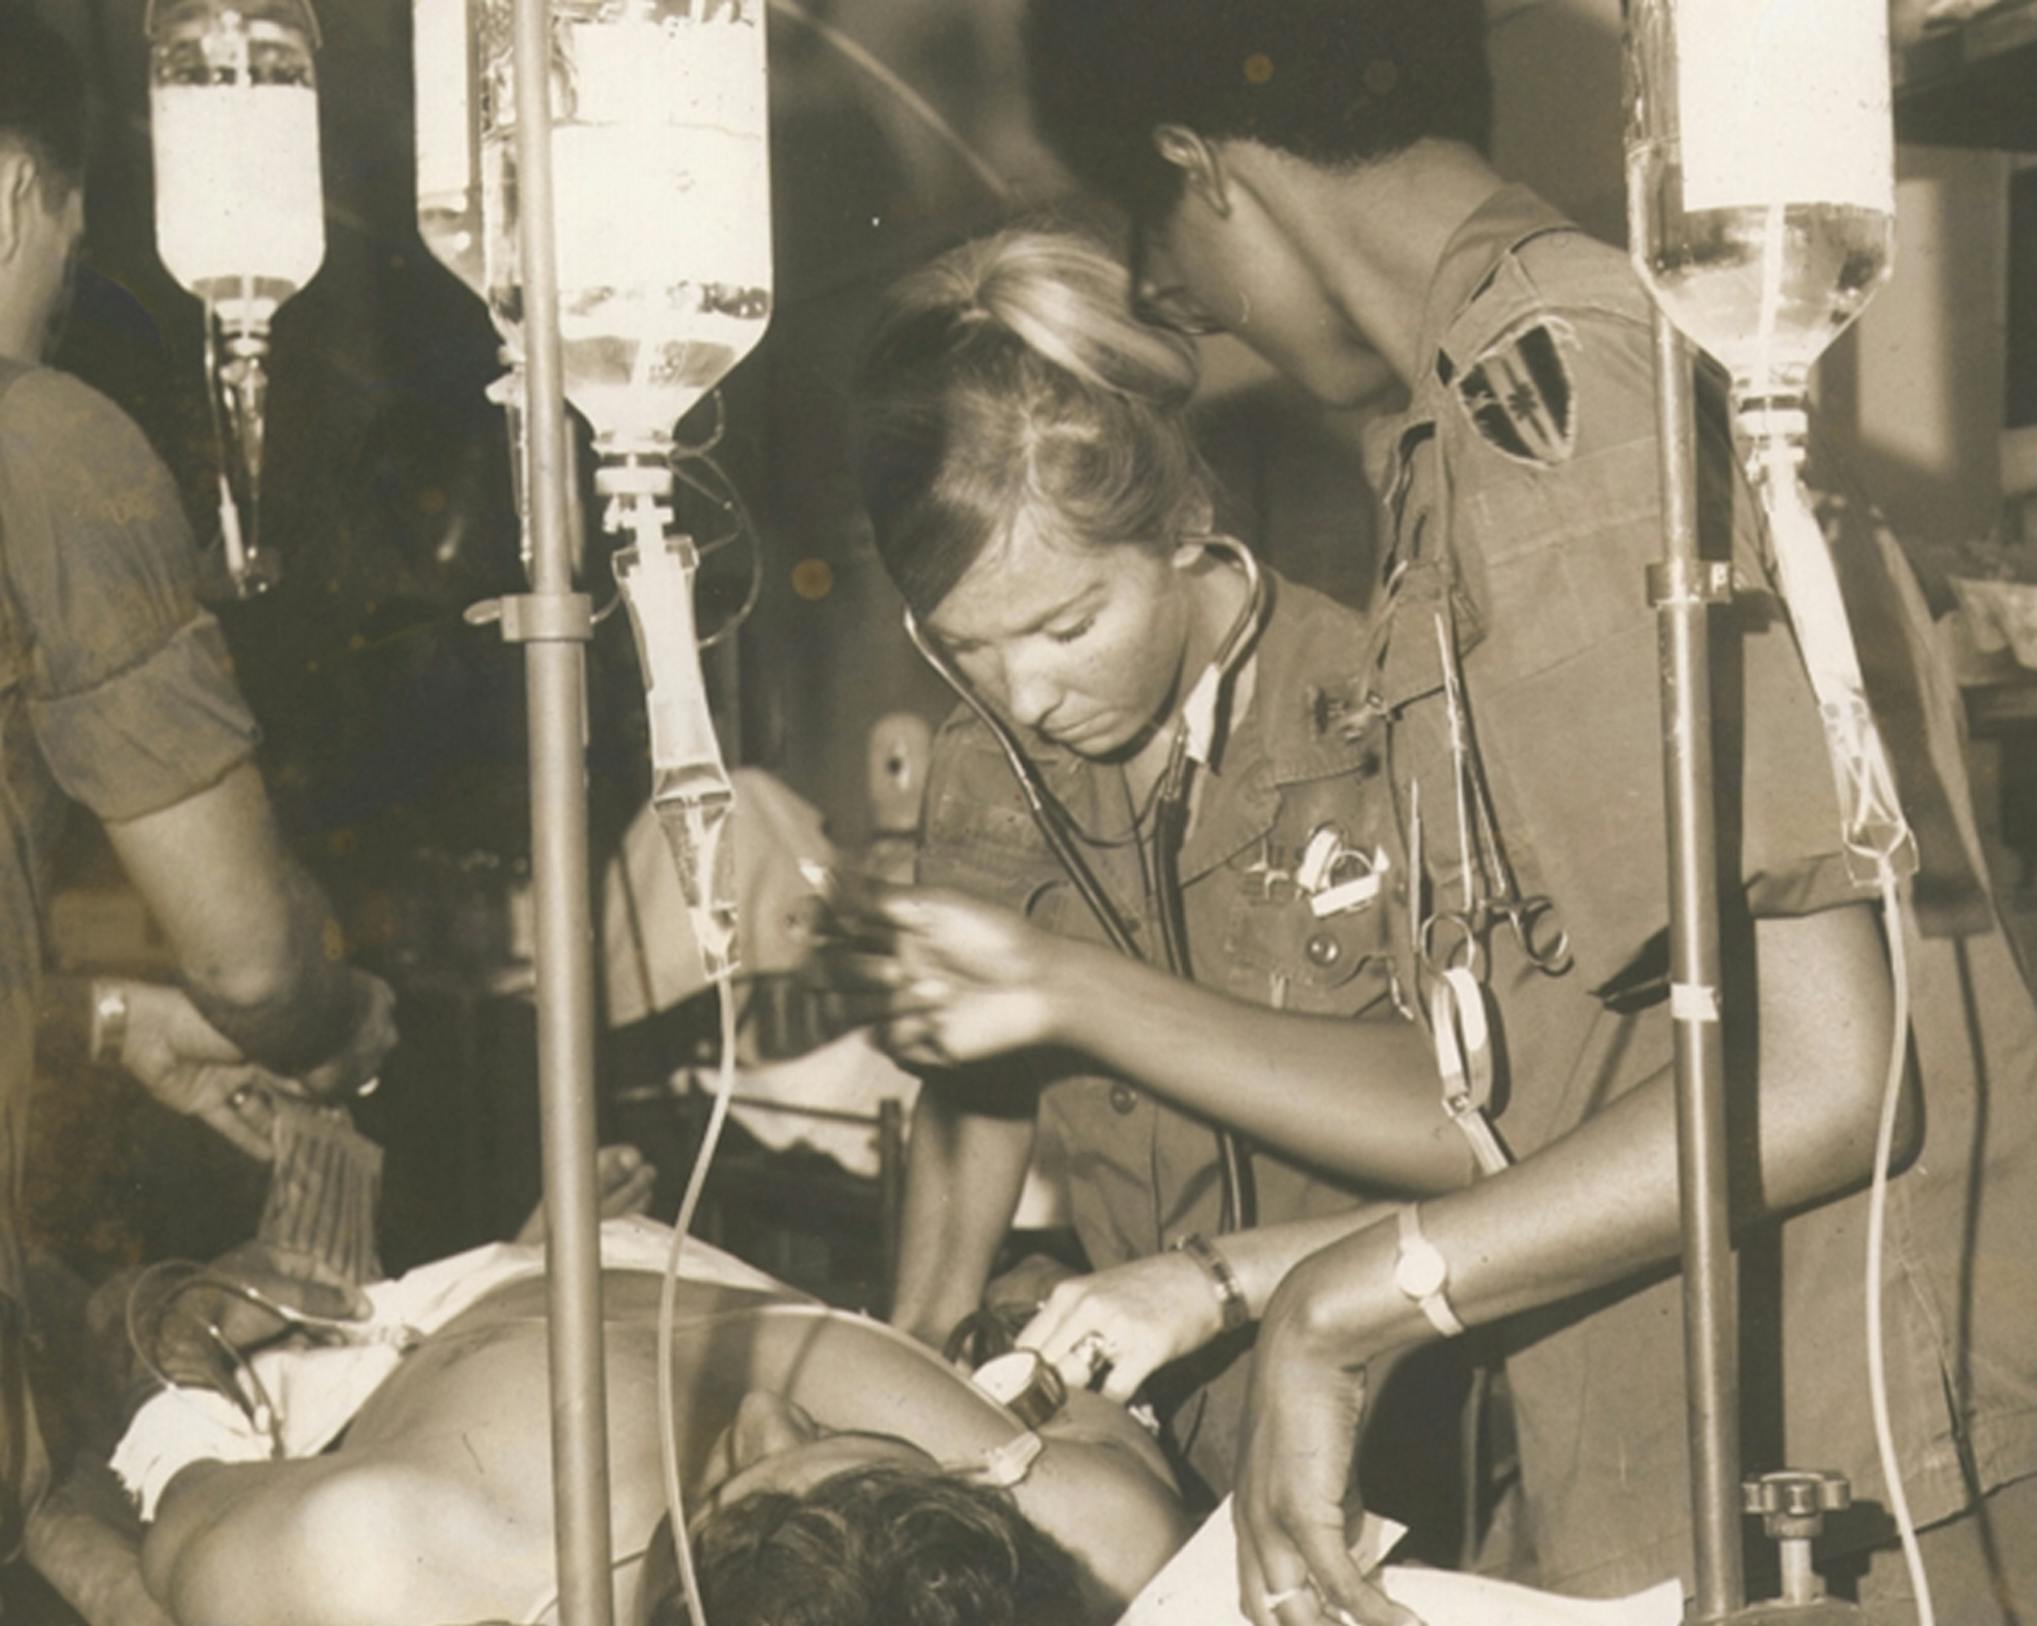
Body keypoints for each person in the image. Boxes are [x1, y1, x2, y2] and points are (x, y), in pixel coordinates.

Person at [852, 4, 2037, 1623]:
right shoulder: (1502, 405)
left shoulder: (1561, 398)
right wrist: (1233, 1277)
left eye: (1167, 251)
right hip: (1708, 1430)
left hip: (1849, 1446)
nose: (1190, 308)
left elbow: (1816, 1077)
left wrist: (1337, 1311)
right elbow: (1557, 1083)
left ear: (1206, 170)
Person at [846, 225, 1480, 1495]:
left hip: (1407, 1410)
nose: (1023, 694)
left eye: (1069, 625)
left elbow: (1483, 1134)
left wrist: (1074, 992)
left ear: (1185, 523)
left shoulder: (1387, 720)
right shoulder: (987, 770)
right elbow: (976, 1099)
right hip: (1141, 1411)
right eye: (964, 648)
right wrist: (909, 1368)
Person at [1, 3, 397, 1557]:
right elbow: (245, 952)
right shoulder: (41, 442)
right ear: (15, 198)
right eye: (77, 231)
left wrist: (104, 1021)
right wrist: (325, 1018)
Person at [130, 1222, 1189, 1626]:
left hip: (597, 1313)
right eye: (833, 1440)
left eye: (760, 1463)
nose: (764, 1410)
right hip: (508, 1307)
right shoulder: (1099, 1533)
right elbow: (177, 1471)